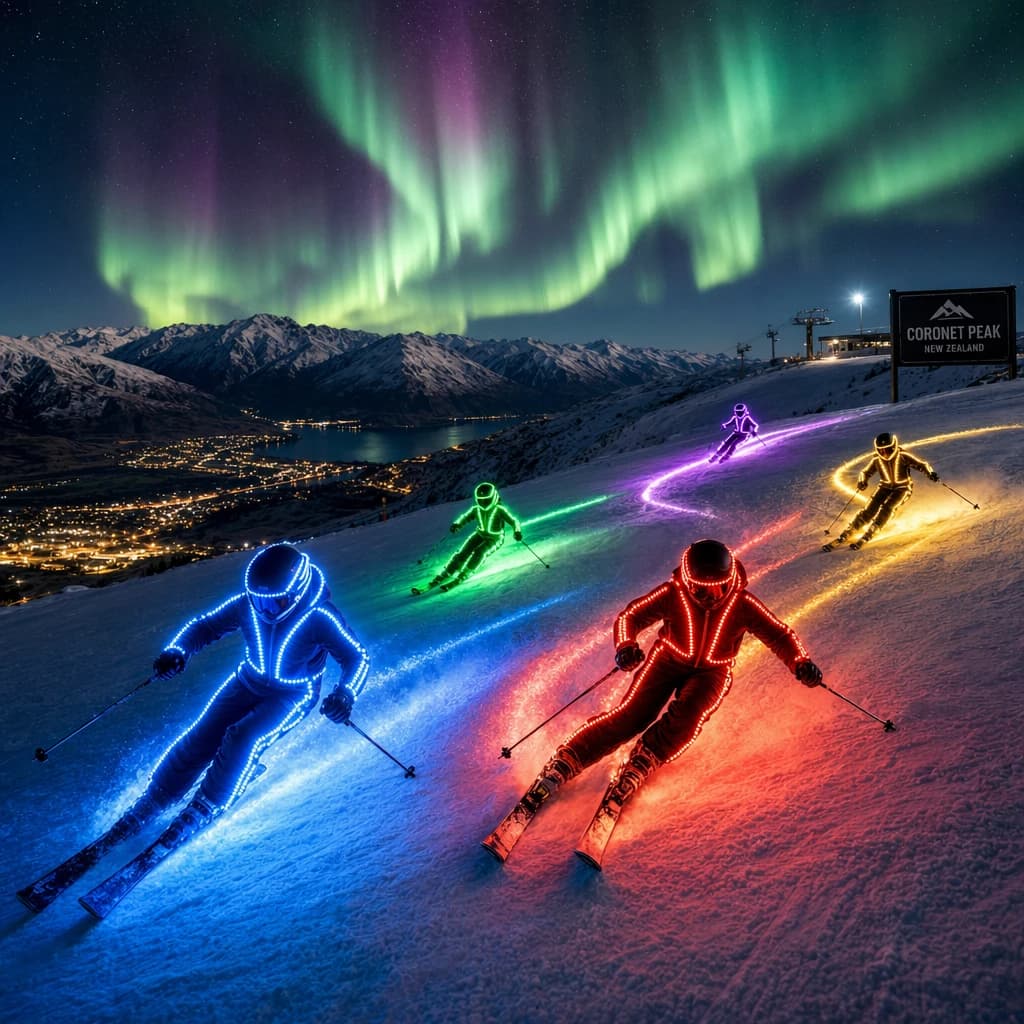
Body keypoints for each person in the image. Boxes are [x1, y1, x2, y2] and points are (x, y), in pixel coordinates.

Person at [512, 539, 822, 827]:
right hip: (668, 660)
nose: (710, 597)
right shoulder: (674, 594)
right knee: (633, 715)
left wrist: (800, 662)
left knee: (691, 713)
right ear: (688, 580)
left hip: (712, 670)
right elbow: (630, 617)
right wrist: (625, 646)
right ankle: (570, 758)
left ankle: (646, 757)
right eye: (700, 589)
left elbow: (779, 634)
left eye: (719, 587)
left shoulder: (741, 604)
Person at [106, 543, 370, 850]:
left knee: (243, 737)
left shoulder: (319, 617)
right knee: (202, 735)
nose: (263, 608)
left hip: (293, 693)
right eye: (258, 600)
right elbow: (205, 626)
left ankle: (208, 803)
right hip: (247, 681)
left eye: (273, 603)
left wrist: (345, 694)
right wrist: (178, 650)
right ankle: (159, 794)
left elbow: (356, 658)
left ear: (296, 593)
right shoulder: (248, 605)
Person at [824, 432, 938, 551]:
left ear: (894, 446)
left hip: (903, 488)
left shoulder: (902, 456)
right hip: (884, 487)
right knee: (870, 509)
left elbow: (922, 465)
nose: (885, 453)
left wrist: (930, 473)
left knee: (887, 507)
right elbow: (865, 472)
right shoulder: (877, 460)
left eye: (888, 449)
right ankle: (851, 530)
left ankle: (874, 528)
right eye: (881, 450)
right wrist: (862, 481)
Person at [426, 482, 523, 592]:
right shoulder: (476, 509)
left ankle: (466, 572)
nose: (483, 503)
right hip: (480, 534)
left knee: (480, 552)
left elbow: (514, 521)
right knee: (463, 552)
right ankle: (448, 571)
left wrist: (517, 531)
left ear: (493, 497)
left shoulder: (499, 509)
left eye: (486, 500)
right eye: (481, 500)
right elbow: (466, 517)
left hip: (495, 538)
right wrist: (457, 524)